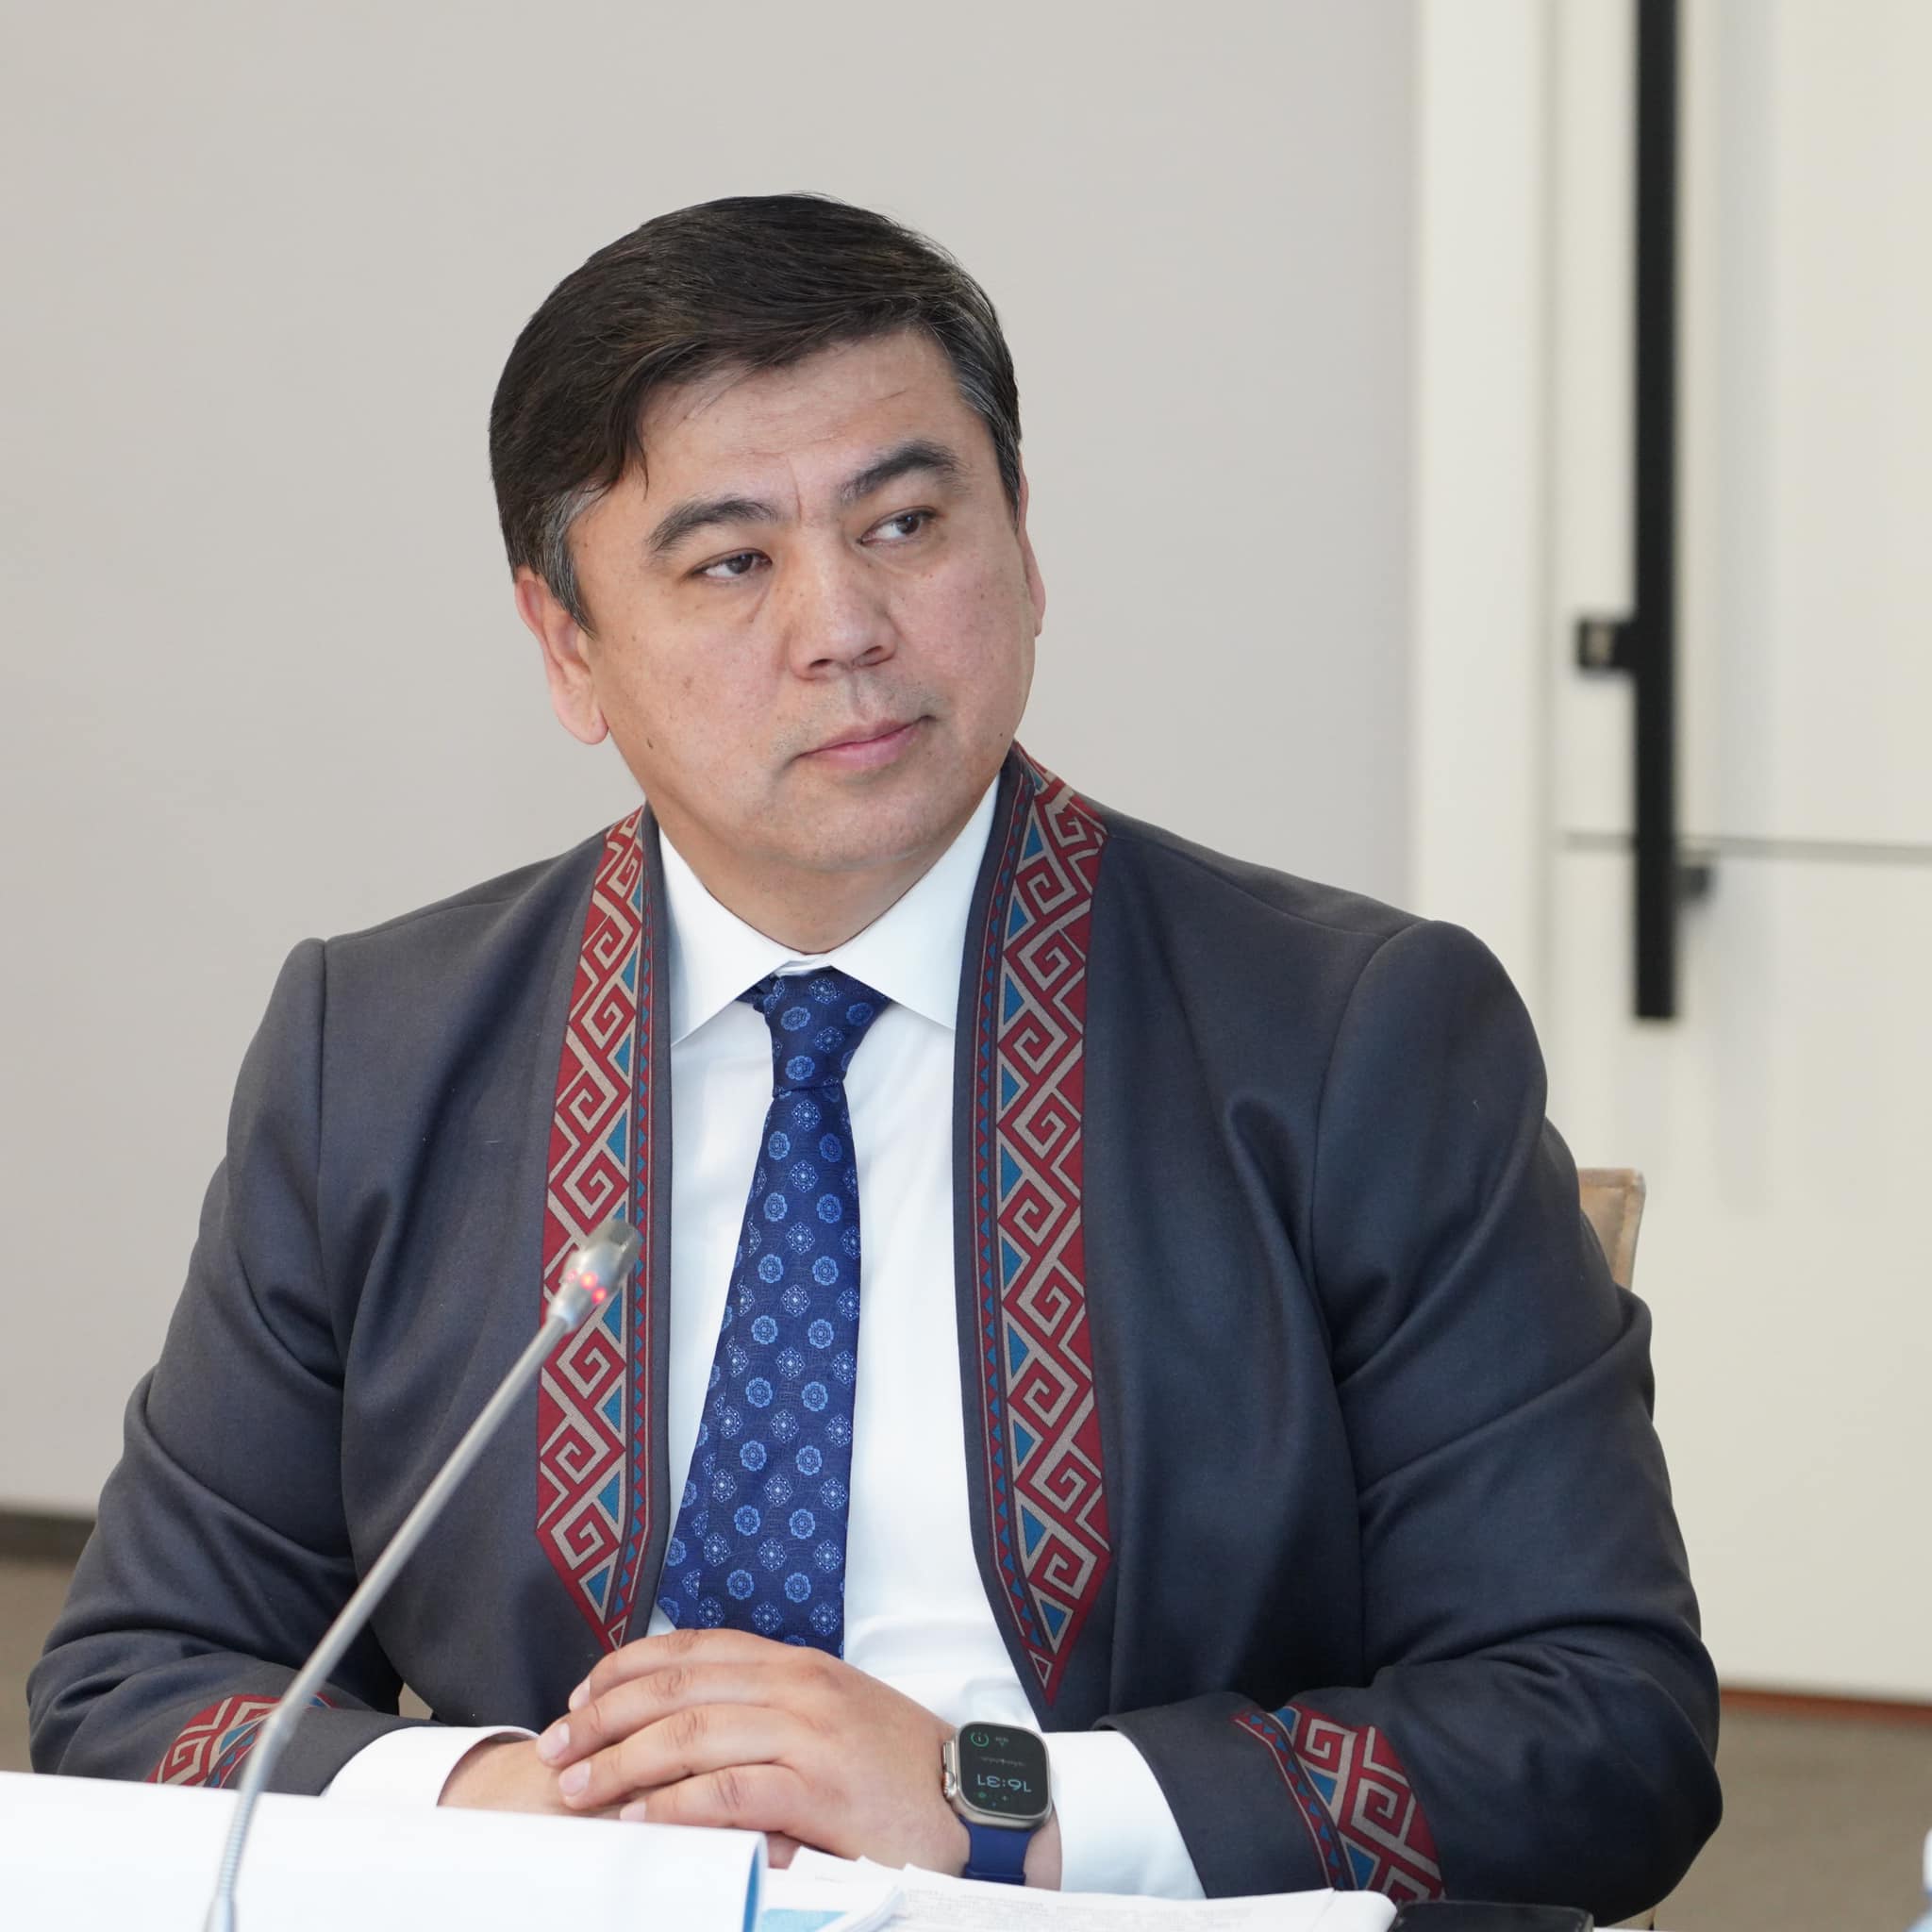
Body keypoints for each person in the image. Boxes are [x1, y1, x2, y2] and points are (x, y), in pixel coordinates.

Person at [30, 193, 1721, 1920]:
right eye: (731, 561)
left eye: (906, 522)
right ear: (566, 645)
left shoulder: (1355, 1040)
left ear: (1025, 549)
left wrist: (994, 1804)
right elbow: (133, 1688)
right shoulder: (378, 1054)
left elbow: (1600, 1729)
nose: (842, 624)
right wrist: (503, 1803)